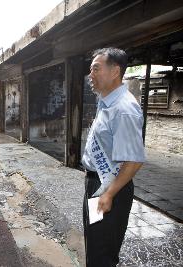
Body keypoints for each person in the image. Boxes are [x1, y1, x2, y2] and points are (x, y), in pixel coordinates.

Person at [82, 47, 145, 267]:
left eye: (96, 69)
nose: (91, 74)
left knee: (103, 252)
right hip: (98, 183)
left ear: (115, 71)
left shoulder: (123, 108)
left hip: (111, 189)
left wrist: (109, 194)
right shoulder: (106, 101)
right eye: (91, 69)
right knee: (94, 244)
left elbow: (134, 160)